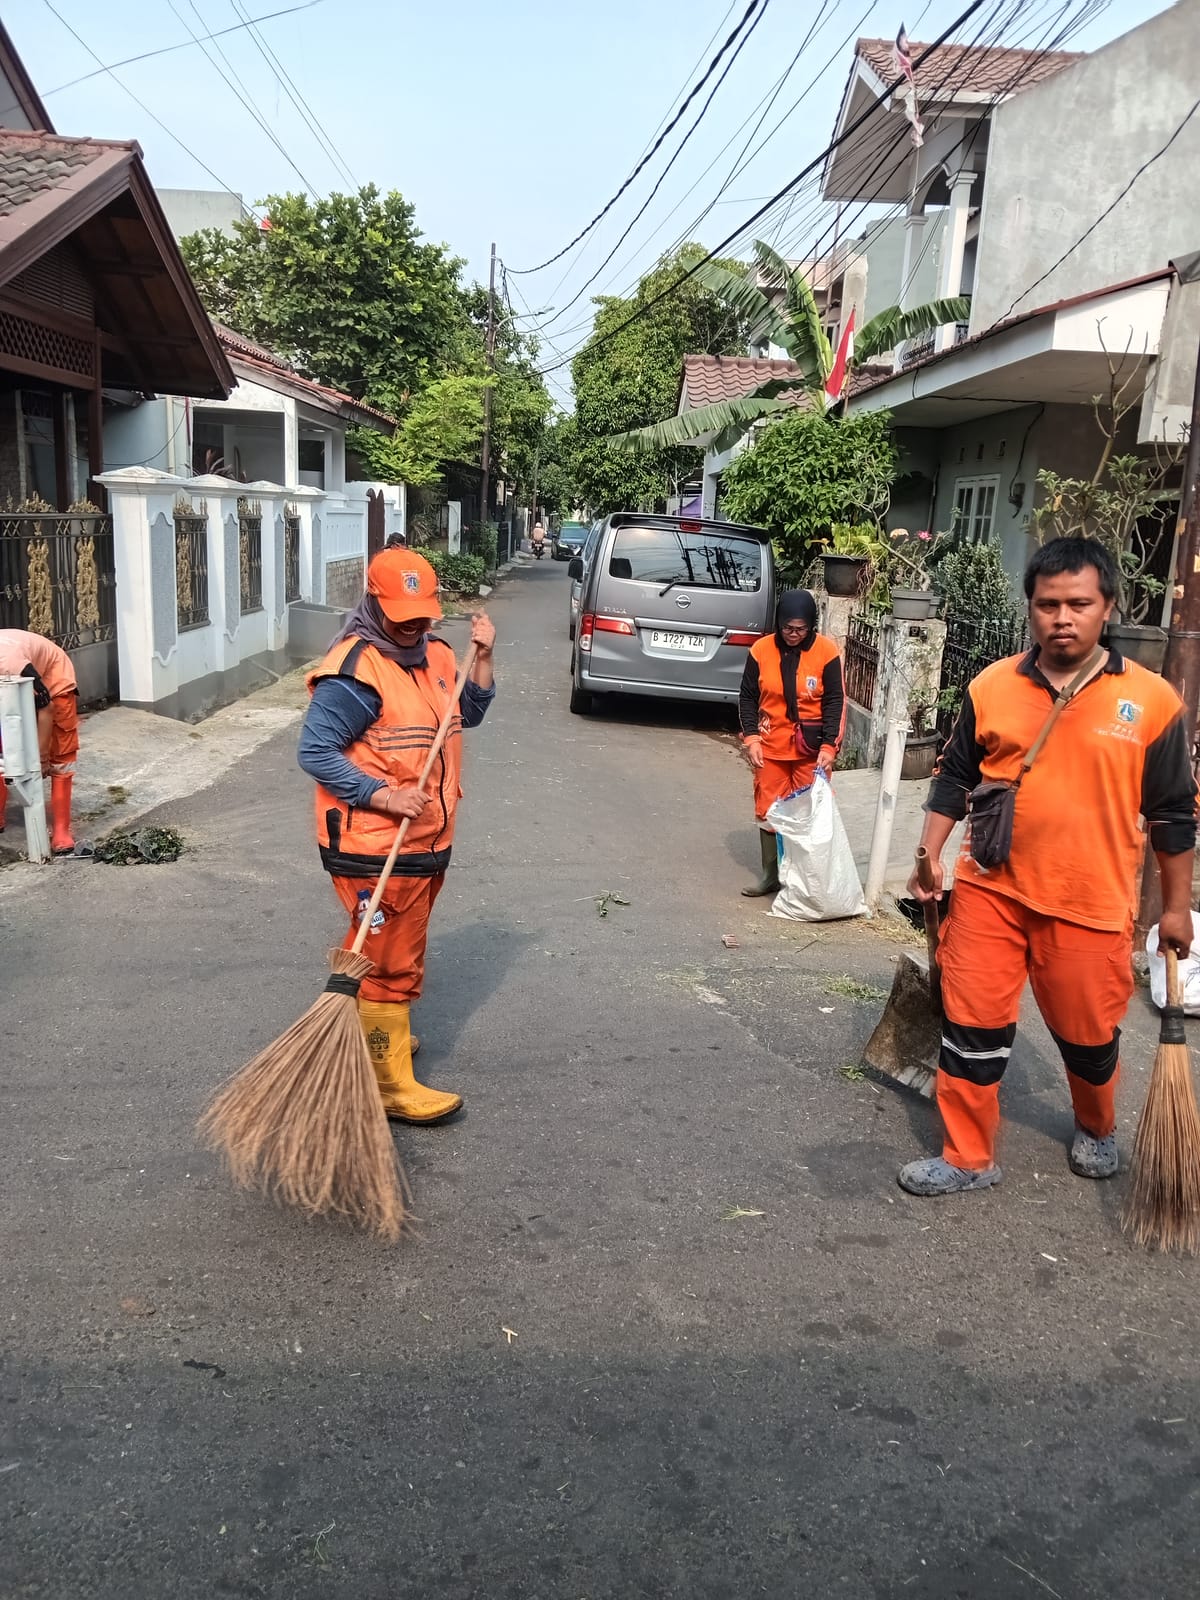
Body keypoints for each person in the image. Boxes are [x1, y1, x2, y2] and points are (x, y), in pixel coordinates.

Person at [901, 537, 1197, 1196]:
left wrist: (1177, 910)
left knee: (1087, 1038)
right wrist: (929, 856)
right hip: (990, 890)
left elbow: (1175, 815)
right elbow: (954, 778)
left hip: (1090, 903)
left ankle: (1096, 1124)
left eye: (1078, 604)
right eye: (1047, 604)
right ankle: (968, 1156)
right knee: (970, 1027)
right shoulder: (992, 686)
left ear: (1107, 607)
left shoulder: (1151, 702)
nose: (1062, 618)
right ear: (1030, 607)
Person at [298, 547, 496, 1124]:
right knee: (388, 962)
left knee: (393, 947)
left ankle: (379, 1038)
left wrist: (483, 657)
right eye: (401, 615)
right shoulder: (354, 673)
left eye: (422, 614)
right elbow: (315, 752)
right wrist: (383, 795)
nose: (413, 625)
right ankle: (388, 1085)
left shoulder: (437, 653)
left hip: (425, 839)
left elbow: (468, 712)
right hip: (374, 844)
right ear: (374, 602)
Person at [737, 590, 845, 896]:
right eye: (787, 628)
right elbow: (747, 697)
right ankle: (771, 875)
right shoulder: (761, 650)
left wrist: (829, 746)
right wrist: (752, 738)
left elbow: (835, 701)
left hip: (811, 749)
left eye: (801, 629)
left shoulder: (826, 652)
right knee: (768, 810)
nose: (794, 634)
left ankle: (806, 881)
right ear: (778, 623)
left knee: (809, 813)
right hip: (770, 746)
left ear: (811, 625)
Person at [0, 628, 79, 853]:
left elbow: (47, 706)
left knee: (60, 755)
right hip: (11, 685)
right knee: (3, 750)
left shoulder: (10, 662)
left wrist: (42, 758)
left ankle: (61, 830)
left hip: (53, 679)